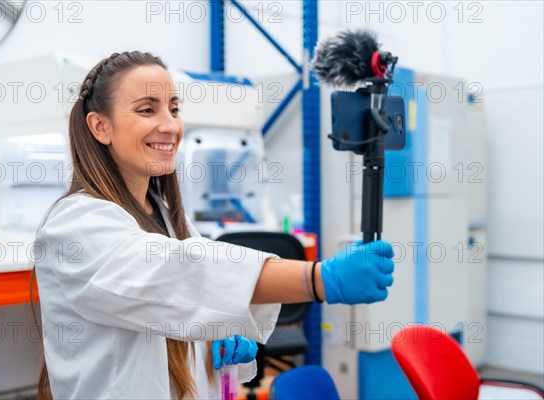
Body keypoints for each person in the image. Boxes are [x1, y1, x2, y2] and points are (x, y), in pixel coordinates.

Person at [33, 51, 395, 399]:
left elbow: (186, 303)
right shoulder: (75, 225)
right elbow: (185, 275)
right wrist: (319, 279)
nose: (170, 125)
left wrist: (214, 343)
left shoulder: (166, 216)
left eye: (174, 109)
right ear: (100, 126)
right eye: (147, 109)